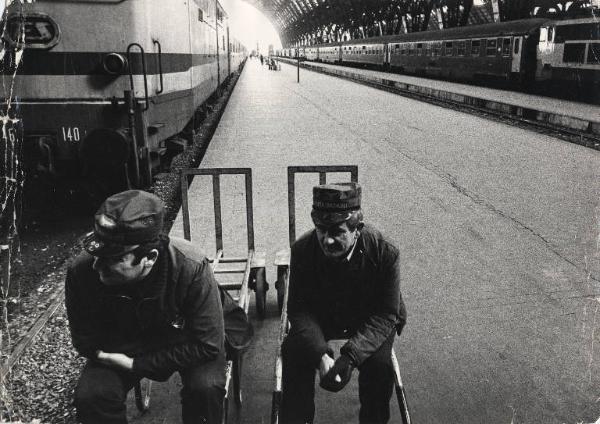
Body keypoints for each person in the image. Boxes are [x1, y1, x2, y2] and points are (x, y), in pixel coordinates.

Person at [65, 190, 226, 424]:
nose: (97, 265)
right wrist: (111, 357)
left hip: (183, 340)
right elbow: (84, 339)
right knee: (93, 397)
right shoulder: (81, 271)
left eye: (112, 259)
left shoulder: (190, 266)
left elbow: (208, 345)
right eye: (97, 253)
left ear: (149, 258)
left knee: (205, 389)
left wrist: (136, 364)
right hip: (123, 345)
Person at [281, 182, 407, 424]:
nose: (326, 241)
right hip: (323, 315)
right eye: (320, 230)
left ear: (357, 229)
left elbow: (385, 315)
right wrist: (320, 355)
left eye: (337, 232)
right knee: (294, 352)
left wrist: (350, 358)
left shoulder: (385, 252)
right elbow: (299, 311)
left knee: (379, 368)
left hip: (369, 317)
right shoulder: (302, 250)